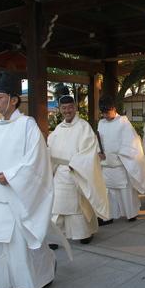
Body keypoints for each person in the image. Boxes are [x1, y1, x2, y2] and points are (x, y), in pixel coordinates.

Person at [0, 71, 56, 288]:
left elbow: (37, 161)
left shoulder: (27, 126)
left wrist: (11, 176)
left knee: (23, 244)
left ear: (14, 99)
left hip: (19, 195)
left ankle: (42, 274)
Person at [47, 85, 109, 245]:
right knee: (58, 205)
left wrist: (75, 165)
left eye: (70, 107)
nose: (67, 110)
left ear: (75, 108)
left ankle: (85, 233)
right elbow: (50, 148)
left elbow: (89, 150)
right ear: (60, 109)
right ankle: (57, 237)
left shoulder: (83, 127)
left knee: (78, 206)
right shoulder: (58, 129)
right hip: (60, 172)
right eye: (64, 108)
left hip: (77, 171)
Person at [97, 96, 145, 222]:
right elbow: (98, 141)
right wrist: (99, 151)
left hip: (120, 162)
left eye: (107, 112)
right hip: (106, 163)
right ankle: (109, 215)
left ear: (114, 109)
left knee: (124, 189)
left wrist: (119, 153)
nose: (105, 115)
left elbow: (131, 143)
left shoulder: (123, 122)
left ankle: (131, 213)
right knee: (108, 190)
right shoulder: (101, 123)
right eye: (103, 113)